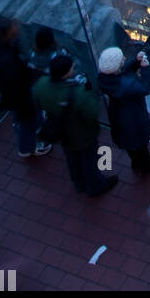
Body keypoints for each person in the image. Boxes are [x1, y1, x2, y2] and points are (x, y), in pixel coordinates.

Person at [33, 54, 118, 197]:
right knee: (89, 160)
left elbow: (37, 101)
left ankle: (79, 183)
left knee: (71, 157)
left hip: (61, 132)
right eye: (71, 68)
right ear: (66, 73)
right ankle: (96, 186)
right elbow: (93, 112)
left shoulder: (41, 85)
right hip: (83, 134)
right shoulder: (77, 93)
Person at [0, 15, 51, 159]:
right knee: (27, 118)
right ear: (8, 32)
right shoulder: (5, 61)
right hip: (17, 94)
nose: (18, 28)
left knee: (24, 117)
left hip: (10, 92)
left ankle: (28, 130)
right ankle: (27, 147)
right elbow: (15, 83)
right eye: (14, 27)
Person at [98, 47, 150, 175]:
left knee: (131, 145)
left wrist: (136, 61)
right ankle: (147, 165)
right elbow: (144, 88)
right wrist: (145, 69)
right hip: (134, 118)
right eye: (122, 59)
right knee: (140, 145)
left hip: (119, 116)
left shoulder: (105, 78)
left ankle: (135, 162)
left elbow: (122, 69)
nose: (125, 59)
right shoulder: (126, 85)